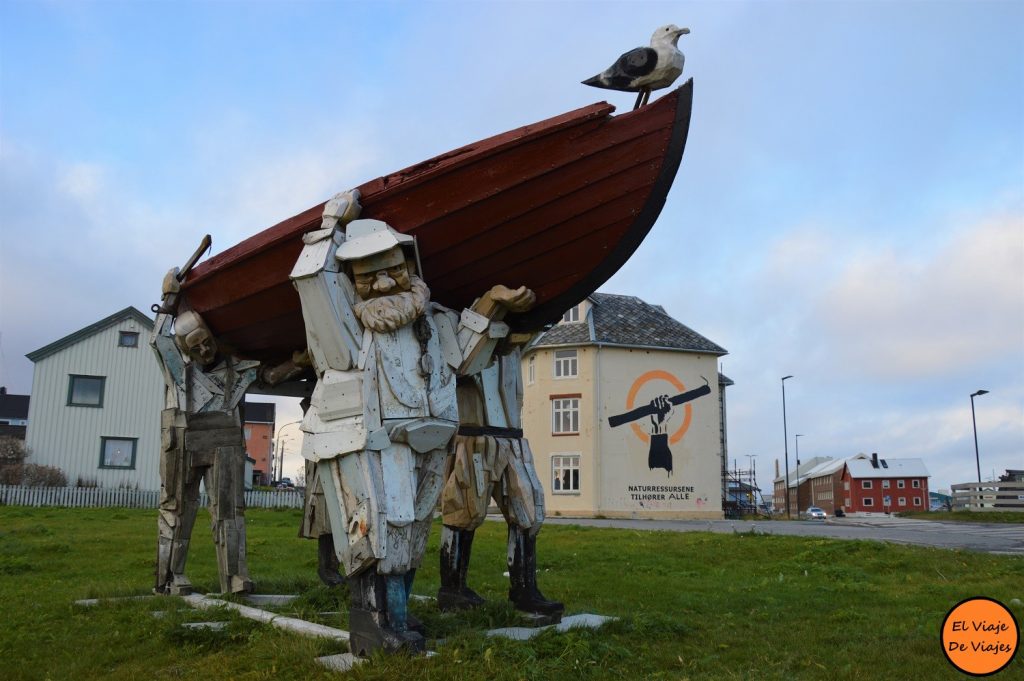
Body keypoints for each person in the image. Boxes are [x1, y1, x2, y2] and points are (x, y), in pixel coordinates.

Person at [291, 189, 533, 654]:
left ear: (412, 267)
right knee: (375, 529)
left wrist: (494, 303)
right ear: (350, 279)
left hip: (428, 438)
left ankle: (397, 618)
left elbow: (465, 358)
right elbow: (311, 278)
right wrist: (329, 224)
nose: (383, 283)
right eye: (368, 275)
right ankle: (370, 626)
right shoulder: (346, 326)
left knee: (414, 528)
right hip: (369, 439)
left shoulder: (434, 319)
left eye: (393, 271)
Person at [151, 276, 304, 596]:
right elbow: (159, 339)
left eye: (206, 341)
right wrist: (169, 299)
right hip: (182, 438)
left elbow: (268, 376)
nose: (205, 350)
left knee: (230, 512)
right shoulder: (176, 367)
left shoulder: (237, 367)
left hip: (225, 440)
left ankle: (234, 577)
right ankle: (168, 577)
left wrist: (295, 363)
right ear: (184, 348)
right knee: (177, 507)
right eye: (196, 347)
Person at [438, 343, 564, 620]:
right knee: (463, 509)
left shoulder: (518, 337)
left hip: (512, 436)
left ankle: (524, 590)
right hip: (472, 434)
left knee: (529, 509)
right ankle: (453, 589)